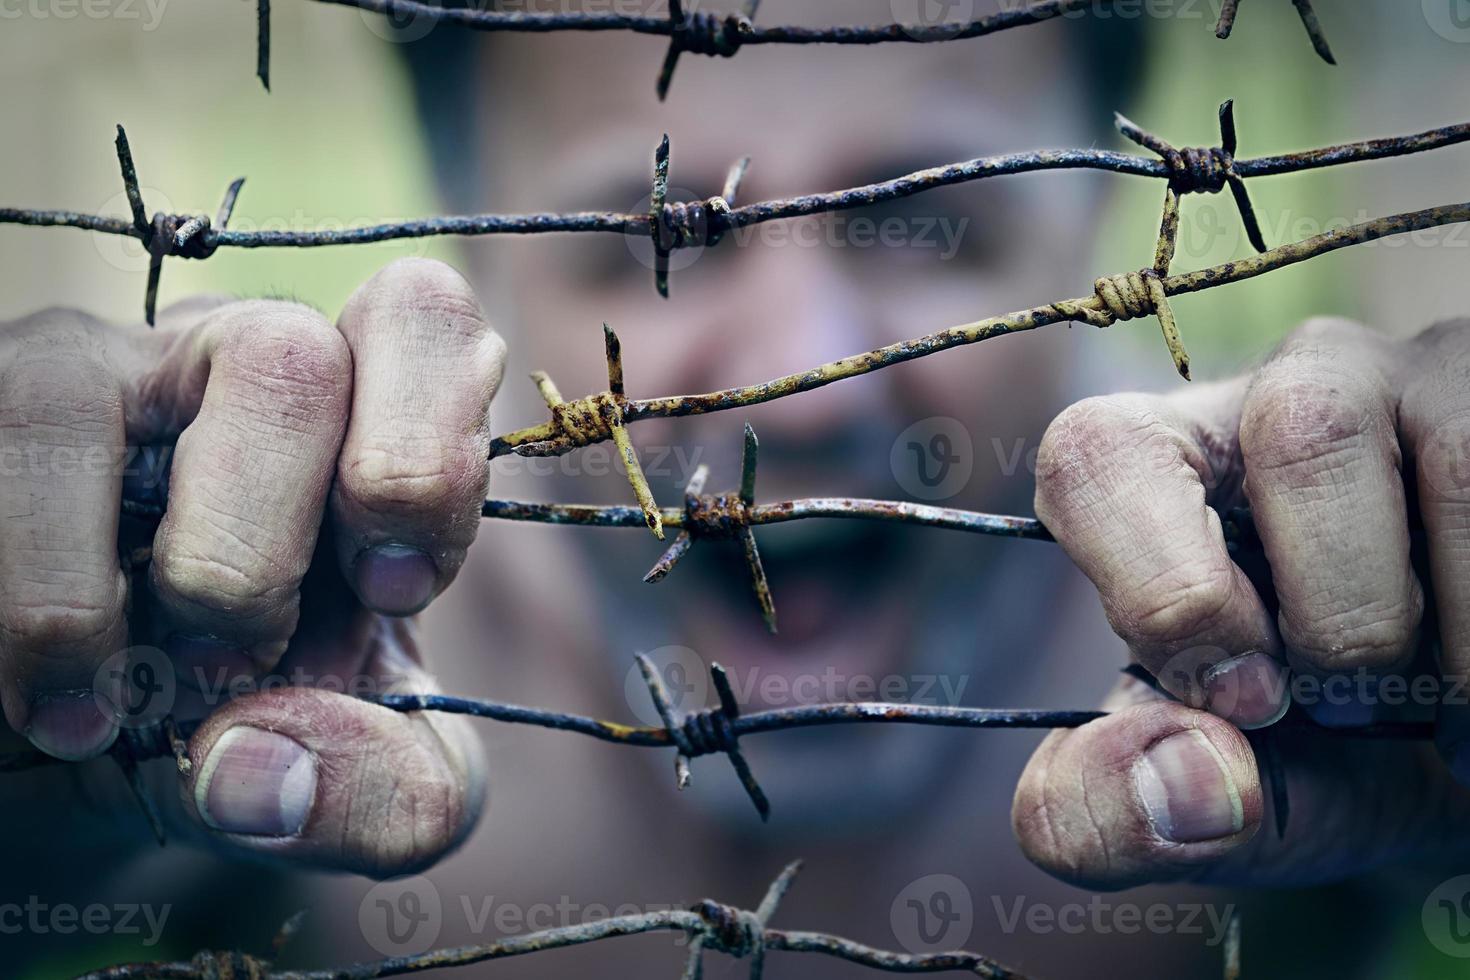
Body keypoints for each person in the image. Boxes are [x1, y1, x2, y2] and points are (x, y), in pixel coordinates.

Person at [5, 2, 1470, 976]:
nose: (812, 383)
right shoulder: (235, 655)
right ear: (475, 244)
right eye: (658, 243)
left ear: (1105, 227)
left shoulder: (1339, 626)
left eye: (933, 227)